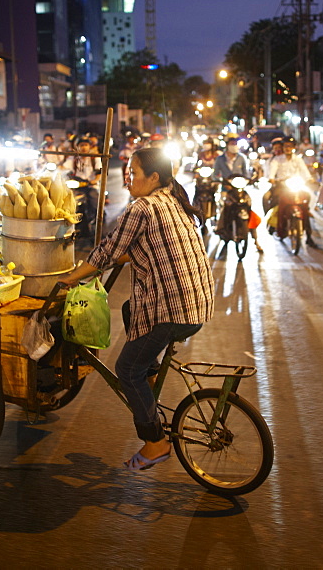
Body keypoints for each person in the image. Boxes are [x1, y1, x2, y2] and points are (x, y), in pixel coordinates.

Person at [57, 147, 214, 471]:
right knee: (131, 309)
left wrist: (70, 278)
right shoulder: (173, 198)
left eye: (134, 172)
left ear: (153, 177)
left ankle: (155, 442)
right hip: (197, 304)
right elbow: (149, 245)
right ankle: (152, 377)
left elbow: (106, 251)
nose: (129, 178)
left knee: (127, 369)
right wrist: (122, 257)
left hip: (174, 310)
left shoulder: (143, 207)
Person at [267, 136, 317, 247]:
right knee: (273, 199)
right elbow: (272, 170)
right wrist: (271, 178)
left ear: (294, 147)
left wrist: (309, 179)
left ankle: (309, 236)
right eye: (285, 146)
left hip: (296, 186)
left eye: (290, 146)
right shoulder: (277, 159)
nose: (287, 148)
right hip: (281, 186)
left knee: (307, 199)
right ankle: (273, 224)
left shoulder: (298, 159)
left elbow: (304, 171)